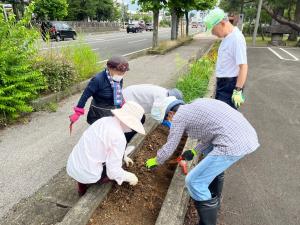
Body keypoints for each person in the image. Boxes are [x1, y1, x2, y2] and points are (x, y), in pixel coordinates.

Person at [145, 98, 259, 225]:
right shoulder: (196, 104)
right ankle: (212, 197)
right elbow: (212, 134)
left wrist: (156, 159)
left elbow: (170, 146)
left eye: (166, 120)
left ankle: (207, 221)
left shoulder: (179, 117)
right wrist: (194, 151)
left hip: (233, 143)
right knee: (210, 160)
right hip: (245, 134)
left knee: (193, 181)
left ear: (170, 113)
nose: (168, 123)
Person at [67, 101, 145, 196]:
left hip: (74, 163)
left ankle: (81, 190)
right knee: (110, 175)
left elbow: (103, 145)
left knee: (88, 165)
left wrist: (123, 155)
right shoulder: (119, 137)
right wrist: (129, 176)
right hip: (88, 172)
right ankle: (93, 184)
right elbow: (113, 171)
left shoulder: (104, 120)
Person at [204, 8, 248, 109]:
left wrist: (238, 90)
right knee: (221, 115)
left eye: (213, 29)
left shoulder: (236, 38)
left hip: (230, 85)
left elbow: (243, 66)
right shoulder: (227, 37)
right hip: (223, 83)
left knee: (225, 117)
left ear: (222, 23)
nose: (213, 33)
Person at [69, 55, 129, 128]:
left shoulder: (118, 78)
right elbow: (85, 95)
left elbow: (118, 91)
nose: (121, 75)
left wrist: (122, 103)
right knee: (100, 130)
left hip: (113, 110)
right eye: (119, 73)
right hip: (99, 111)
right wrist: (78, 112)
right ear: (110, 68)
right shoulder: (98, 80)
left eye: (123, 73)